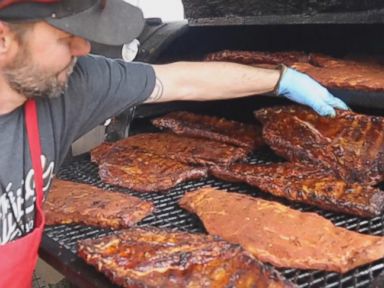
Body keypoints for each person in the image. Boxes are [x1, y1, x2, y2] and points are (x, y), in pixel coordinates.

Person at [0, 0, 349, 287]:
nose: (84, 47)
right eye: (67, 36)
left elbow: (179, 79)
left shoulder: (74, 82)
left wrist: (280, 80)